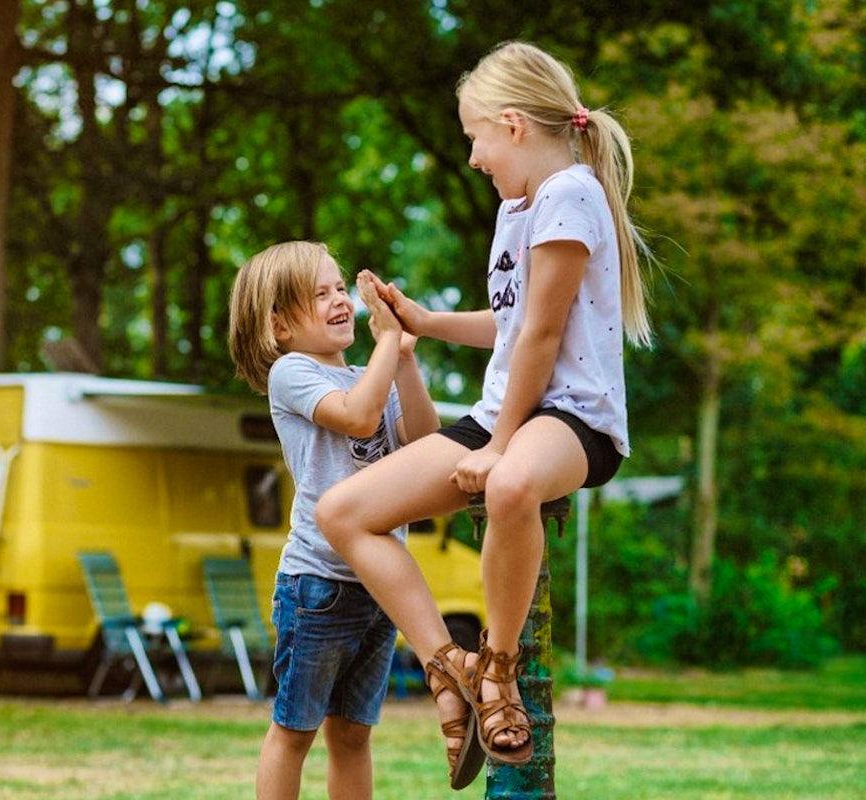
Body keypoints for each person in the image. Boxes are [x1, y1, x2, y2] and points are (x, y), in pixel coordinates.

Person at [316, 40, 653, 772]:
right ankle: (450, 670)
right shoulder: (517, 208)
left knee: (509, 483)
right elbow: (509, 326)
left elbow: (544, 332)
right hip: (507, 407)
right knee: (343, 512)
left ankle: (498, 673)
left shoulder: (571, 192)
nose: (473, 157)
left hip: (571, 417)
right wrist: (426, 322)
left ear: (510, 124)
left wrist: (500, 443)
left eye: (473, 137)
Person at [227, 241, 453, 800]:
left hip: (377, 586)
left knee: (353, 735)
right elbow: (358, 419)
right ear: (278, 326)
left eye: (339, 290)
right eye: (319, 294)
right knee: (294, 731)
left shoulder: (366, 371)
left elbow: (423, 441)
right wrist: (388, 345)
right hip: (317, 583)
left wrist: (403, 358)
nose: (339, 302)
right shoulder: (293, 373)